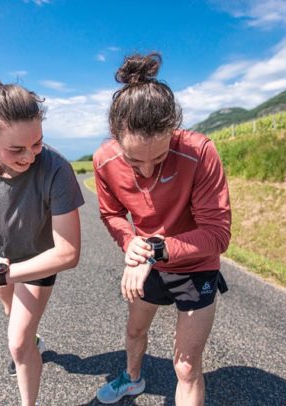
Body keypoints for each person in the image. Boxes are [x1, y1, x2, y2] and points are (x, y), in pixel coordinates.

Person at [93, 53, 231, 405]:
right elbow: (112, 215)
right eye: (134, 161)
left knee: (186, 367)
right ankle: (132, 378)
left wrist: (154, 249)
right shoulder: (103, 160)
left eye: (159, 158)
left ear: (174, 132)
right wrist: (129, 243)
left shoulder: (199, 151)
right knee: (136, 330)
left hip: (195, 263)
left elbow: (217, 234)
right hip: (149, 262)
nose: (148, 172)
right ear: (115, 137)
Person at [0, 80, 84, 406]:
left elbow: (68, 252)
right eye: (17, 149)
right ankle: (30, 340)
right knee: (13, 316)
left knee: (18, 344)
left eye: (37, 143)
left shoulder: (57, 168)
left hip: (39, 260)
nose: (31, 156)